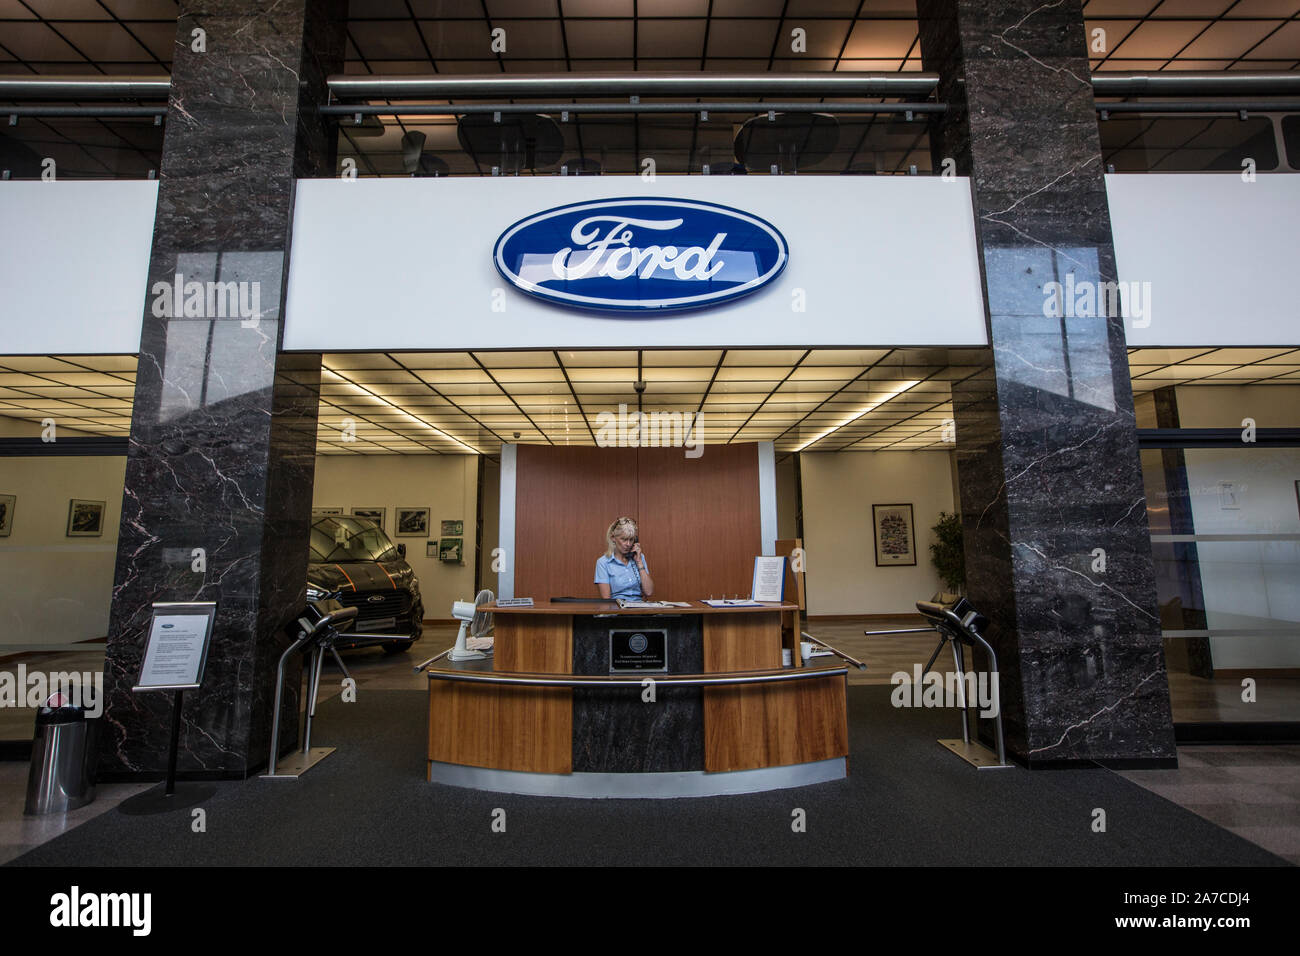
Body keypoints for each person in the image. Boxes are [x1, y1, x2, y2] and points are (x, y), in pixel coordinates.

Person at [595, 516, 654, 600]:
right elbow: (606, 599)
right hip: (617, 608)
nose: (628, 544)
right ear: (613, 538)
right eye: (624, 539)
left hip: (639, 609)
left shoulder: (639, 557)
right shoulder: (603, 562)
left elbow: (649, 591)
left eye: (631, 540)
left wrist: (639, 562)